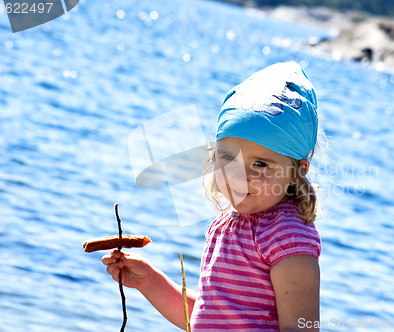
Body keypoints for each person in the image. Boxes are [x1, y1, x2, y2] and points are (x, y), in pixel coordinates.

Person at [102, 61, 322, 331]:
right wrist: (150, 282)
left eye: (261, 164)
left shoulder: (287, 236)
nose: (238, 175)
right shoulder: (225, 224)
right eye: (228, 157)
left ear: (296, 172)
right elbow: (208, 318)